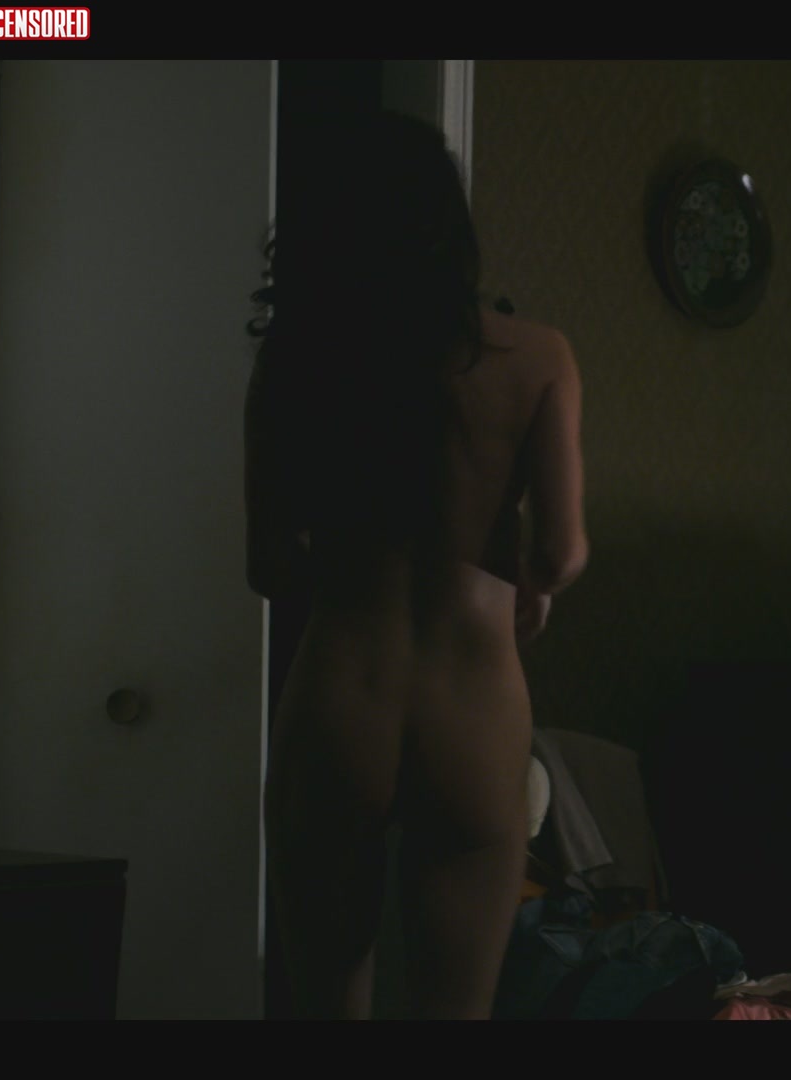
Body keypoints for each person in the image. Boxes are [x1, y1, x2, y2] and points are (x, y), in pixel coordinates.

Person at [245, 110, 587, 1019]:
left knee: (326, 1011)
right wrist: (530, 584)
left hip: (341, 695)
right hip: (472, 705)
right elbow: (560, 552)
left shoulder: (296, 360)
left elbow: (270, 567)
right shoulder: (537, 357)